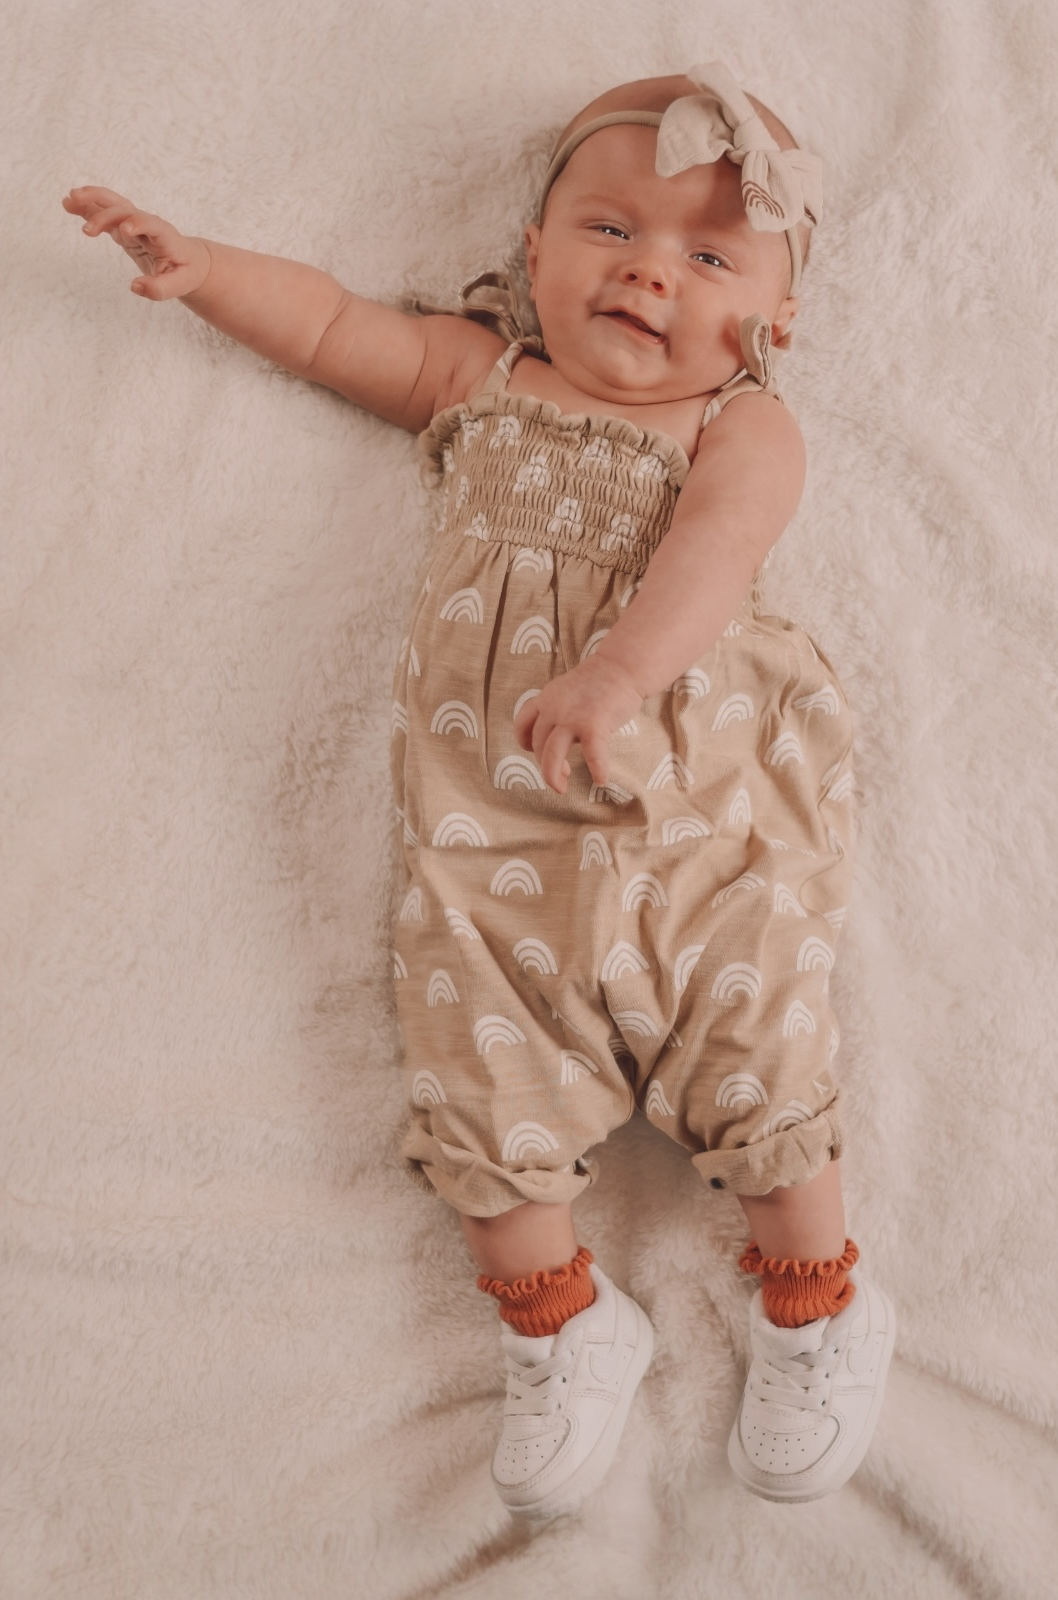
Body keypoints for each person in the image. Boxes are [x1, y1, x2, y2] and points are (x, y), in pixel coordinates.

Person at [64, 60, 895, 1518]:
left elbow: (716, 556)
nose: (648, 272)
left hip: (701, 822)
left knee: (755, 1024)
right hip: (490, 832)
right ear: (531, 254)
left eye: (708, 253)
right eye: (609, 230)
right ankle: (562, 1327)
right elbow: (330, 325)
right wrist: (203, 274)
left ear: (775, 318)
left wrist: (621, 673)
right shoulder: (487, 379)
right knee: (473, 1060)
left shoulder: (735, 426)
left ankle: (818, 1305)